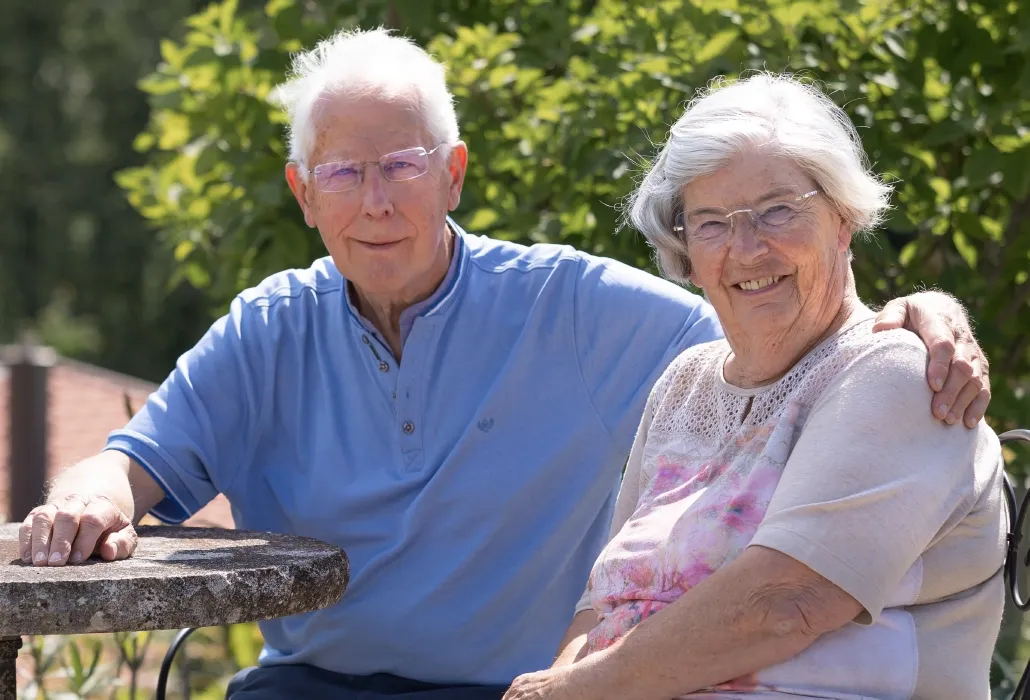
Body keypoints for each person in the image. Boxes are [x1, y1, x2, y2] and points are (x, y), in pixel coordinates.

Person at [21, 31, 990, 700]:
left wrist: (919, 315)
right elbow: (133, 459)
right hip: (328, 685)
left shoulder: (577, 307)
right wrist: (89, 498)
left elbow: (791, 330)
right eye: (343, 172)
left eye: (402, 164)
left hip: (516, 686)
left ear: (454, 172)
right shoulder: (268, 326)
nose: (376, 201)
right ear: (303, 192)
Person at [504, 74, 1006, 700]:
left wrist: (566, 695)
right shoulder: (684, 383)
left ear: (844, 216)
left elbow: (783, 602)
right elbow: (605, 602)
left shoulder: (895, 372)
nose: (746, 249)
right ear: (683, 249)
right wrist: (556, 683)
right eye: (710, 223)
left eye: (777, 211)